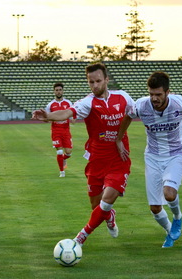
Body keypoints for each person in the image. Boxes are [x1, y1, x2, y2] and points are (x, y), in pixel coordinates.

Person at [32, 63, 135, 246]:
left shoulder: (123, 97)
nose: (95, 85)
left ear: (106, 80)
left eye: (98, 81)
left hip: (120, 159)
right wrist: (47, 116)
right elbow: (66, 113)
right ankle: (109, 216)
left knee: (107, 200)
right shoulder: (88, 102)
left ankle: (80, 238)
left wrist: (120, 138)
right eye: (91, 82)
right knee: (97, 207)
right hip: (96, 160)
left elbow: (133, 114)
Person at [116, 71, 182, 248]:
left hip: (176, 153)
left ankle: (177, 217)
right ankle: (170, 231)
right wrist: (119, 139)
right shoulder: (141, 106)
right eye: (151, 94)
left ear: (167, 92)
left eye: (158, 95)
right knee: (155, 208)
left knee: (169, 193)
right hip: (153, 156)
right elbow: (127, 117)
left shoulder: (180, 104)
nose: (154, 98)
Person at [45, 82, 75, 178]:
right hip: (56, 131)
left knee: (69, 152)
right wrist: (48, 119)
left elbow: (73, 114)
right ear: (54, 91)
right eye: (57, 90)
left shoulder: (68, 103)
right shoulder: (50, 105)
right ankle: (62, 172)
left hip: (66, 130)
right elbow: (47, 118)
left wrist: (73, 119)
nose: (58, 92)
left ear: (63, 91)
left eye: (60, 90)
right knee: (59, 152)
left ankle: (63, 159)